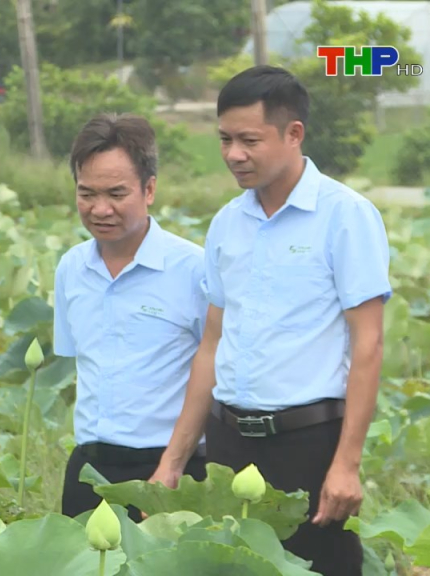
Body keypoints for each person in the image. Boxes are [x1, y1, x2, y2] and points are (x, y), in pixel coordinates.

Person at [148, 66, 391, 576]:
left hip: (310, 444)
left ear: (293, 133)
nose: (234, 154)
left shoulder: (346, 215)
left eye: (249, 140)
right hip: (230, 440)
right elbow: (211, 345)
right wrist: (173, 461)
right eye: (225, 139)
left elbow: (367, 345)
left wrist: (345, 464)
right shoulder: (226, 223)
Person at [55, 113, 208, 523]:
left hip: (169, 468)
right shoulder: (70, 268)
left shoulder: (194, 270)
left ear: (150, 189)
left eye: (116, 194)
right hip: (89, 466)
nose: (100, 209)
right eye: (86, 194)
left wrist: (172, 467)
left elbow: (213, 372)